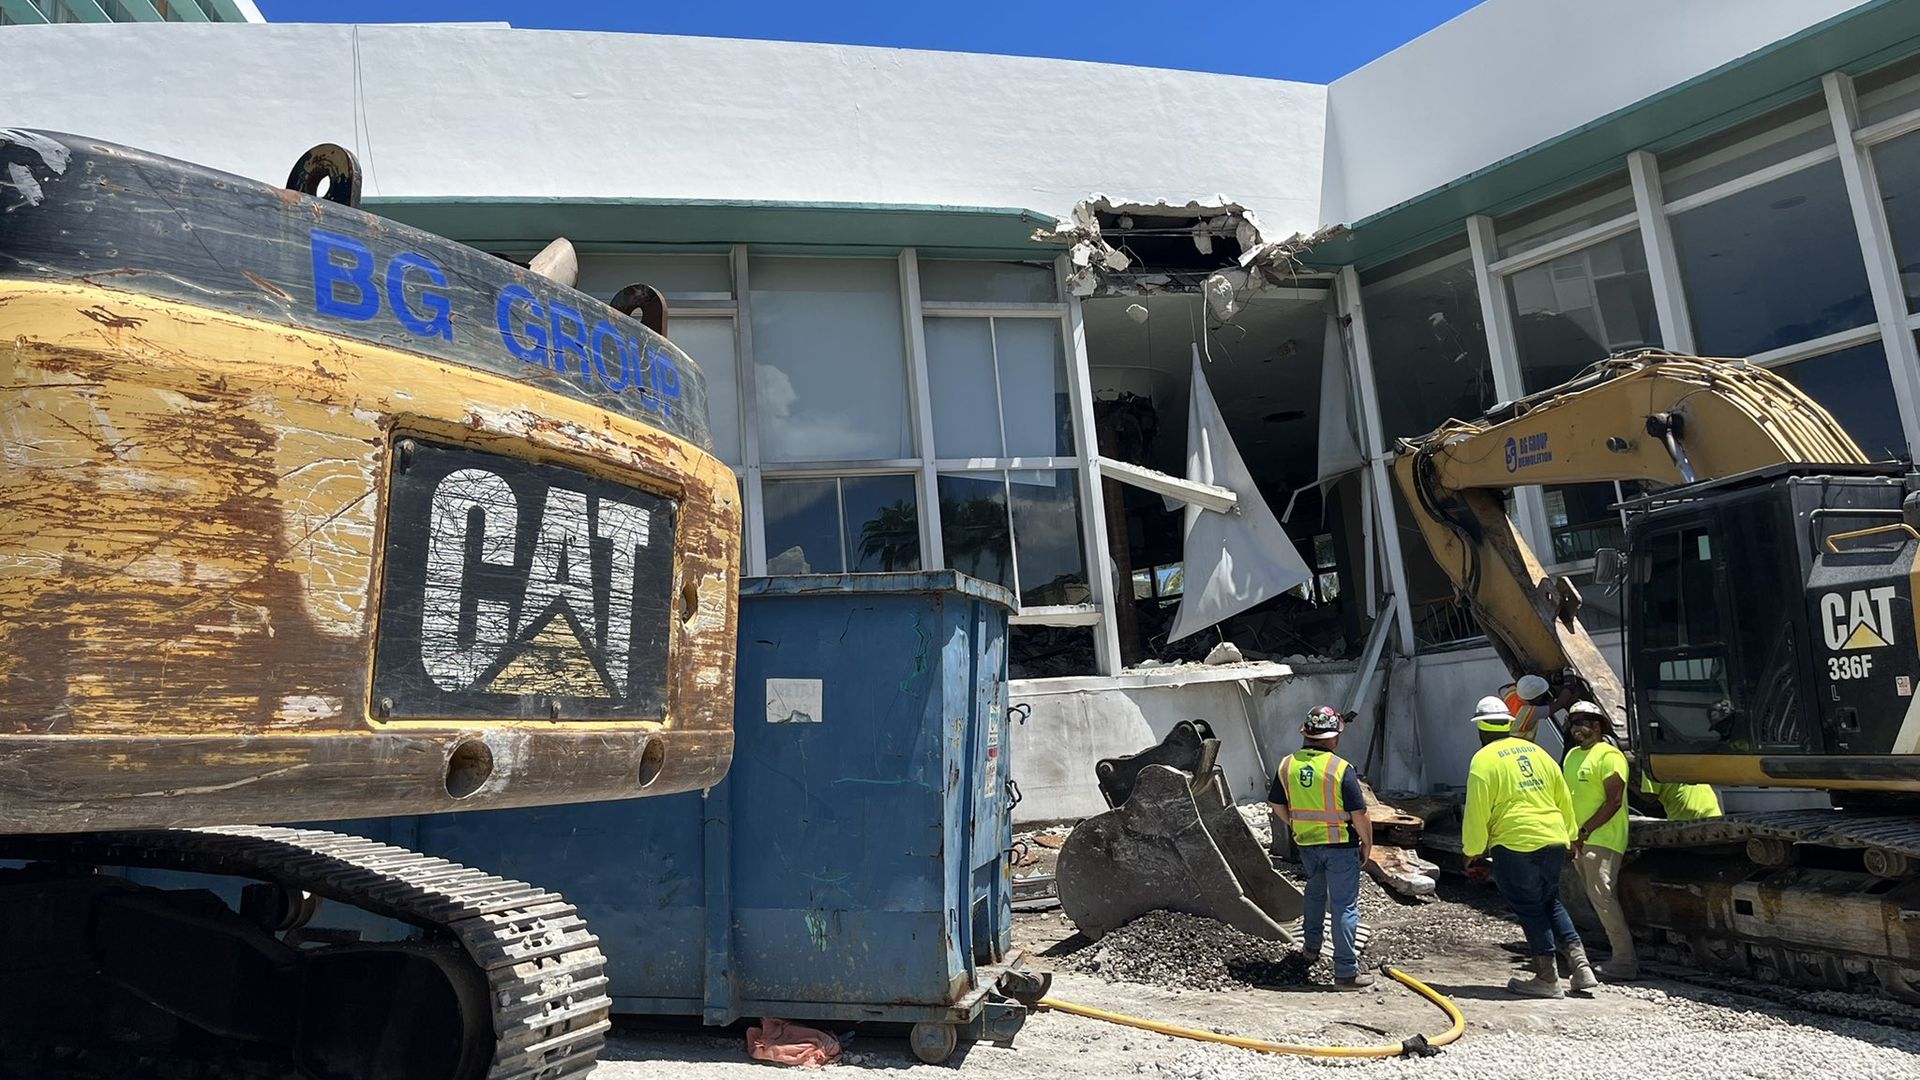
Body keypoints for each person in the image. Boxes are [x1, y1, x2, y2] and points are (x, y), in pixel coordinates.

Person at [1461, 695, 1597, 998]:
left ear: (1480, 728)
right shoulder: (1538, 753)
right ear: (1508, 724)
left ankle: (1547, 978)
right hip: (1553, 838)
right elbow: (1562, 796)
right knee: (1551, 901)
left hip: (1515, 843)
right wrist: (1571, 835)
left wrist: (1472, 849)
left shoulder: (1483, 760)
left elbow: (1477, 810)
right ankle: (1581, 967)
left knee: (1529, 907)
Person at [1269, 705, 1375, 990]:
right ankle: (1345, 973)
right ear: (1334, 737)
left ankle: (1310, 949)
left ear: (1306, 733)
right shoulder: (1340, 768)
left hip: (1308, 844)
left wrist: (1294, 822)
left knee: (1315, 894)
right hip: (1340, 845)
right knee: (1344, 906)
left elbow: (1276, 803)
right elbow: (1359, 813)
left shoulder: (1287, 765)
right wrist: (1367, 843)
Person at [1562, 702, 1637, 980]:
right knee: (1595, 898)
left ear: (1597, 725)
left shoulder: (1609, 756)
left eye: (1581, 722)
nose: (1575, 728)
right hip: (1580, 838)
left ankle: (1625, 961)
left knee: (1603, 898)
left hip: (1602, 838)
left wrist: (1586, 830)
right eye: (1573, 723)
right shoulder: (1571, 756)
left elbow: (1614, 801)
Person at [1499, 673, 1573, 743]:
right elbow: (1560, 703)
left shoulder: (1510, 692)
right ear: (1536, 698)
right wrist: (1569, 684)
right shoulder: (1529, 712)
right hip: (1520, 745)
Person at [1638, 771, 1724, 820]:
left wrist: (1629, 782)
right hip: (1711, 811)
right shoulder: (1682, 757)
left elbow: (1650, 797)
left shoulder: (1650, 767)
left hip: (1685, 818)